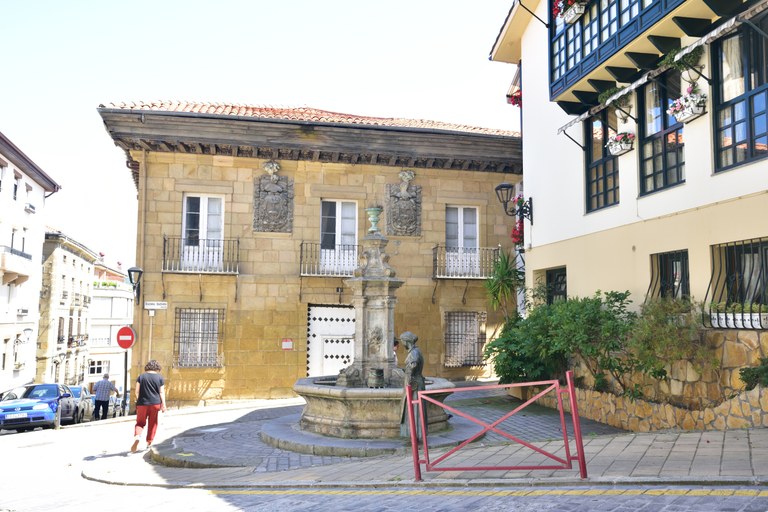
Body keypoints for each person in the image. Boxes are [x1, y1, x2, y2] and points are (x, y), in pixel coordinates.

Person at [131, 360, 167, 453]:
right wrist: (164, 405)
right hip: (155, 404)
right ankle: (149, 442)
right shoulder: (160, 378)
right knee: (153, 423)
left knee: (140, 423)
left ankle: (137, 436)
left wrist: (140, 399)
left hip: (142, 404)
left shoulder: (141, 377)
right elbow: (161, 392)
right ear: (157, 368)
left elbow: (137, 391)